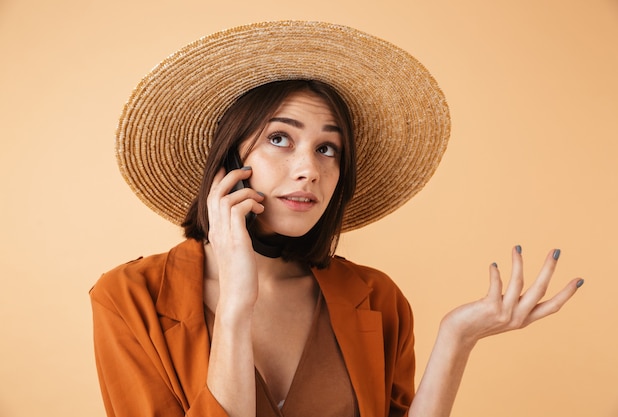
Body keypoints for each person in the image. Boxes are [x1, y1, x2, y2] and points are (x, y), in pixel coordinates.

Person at [90, 21, 584, 417]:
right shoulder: (128, 297)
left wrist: (457, 338)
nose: (311, 170)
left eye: (328, 148)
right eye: (280, 138)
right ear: (227, 160)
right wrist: (238, 305)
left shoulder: (376, 298)